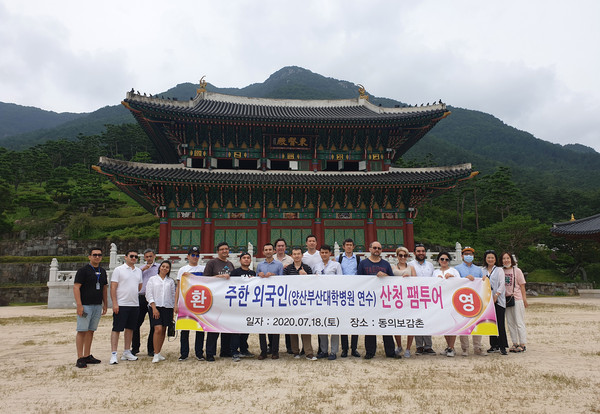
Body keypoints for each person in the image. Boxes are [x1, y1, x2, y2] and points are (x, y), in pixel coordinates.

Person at [357, 241, 396, 359]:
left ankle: (390, 352)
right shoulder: (363, 264)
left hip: (383, 300)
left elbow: (393, 280)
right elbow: (358, 281)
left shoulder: (386, 264)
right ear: (369, 249)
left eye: (379, 248)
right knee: (370, 325)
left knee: (386, 326)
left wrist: (386, 276)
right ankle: (370, 352)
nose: (377, 250)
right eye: (374, 247)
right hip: (369, 300)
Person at [73, 247, 108, 368]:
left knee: (91, 330)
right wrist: (79, 305)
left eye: (99, 255)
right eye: (94, 255)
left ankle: (87, 355)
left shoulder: (102, 271)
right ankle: (80, 357)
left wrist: (105, 303)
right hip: (85, 305)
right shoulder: (83, 271)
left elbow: (104, 288)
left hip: (97, 305)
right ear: (89, 256)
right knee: (82, 330)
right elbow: (76, 287)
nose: (97, 257)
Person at [110, 250, 143, 365]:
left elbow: (139, 286)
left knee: (130, 329)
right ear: (126, 257)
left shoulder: (138, 271)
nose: (134, 258)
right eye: (131, 256)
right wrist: (115, 303)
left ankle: (127, 351)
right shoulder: (118, 270)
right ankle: (113, 353)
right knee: (117, 329)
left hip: (134, 304)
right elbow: (113, 287)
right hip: (121, 304)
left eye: (136, 256)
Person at [284, 247, 317, 360]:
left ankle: (308, 352)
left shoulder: (307, 268)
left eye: (299, 254)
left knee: (305, 326)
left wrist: (306, 276)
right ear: (292, 256)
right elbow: (284, 284)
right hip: (292, 301)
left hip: (305, 301)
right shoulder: (287, 269)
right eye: (294, 254)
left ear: (302, 255)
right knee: (293, 327)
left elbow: (313, 284)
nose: (297, 256)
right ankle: (295, 351)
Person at [203, 242, 234, 361]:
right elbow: (205, 279)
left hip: (227, 299)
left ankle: (225, 351)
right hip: (215, 299)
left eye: (226, 249)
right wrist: (219, 277)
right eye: (222, 249)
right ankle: (210, 352)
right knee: (214, 326)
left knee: (226, 325)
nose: (224, 251)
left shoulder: (230, 264)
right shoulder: (212, 263)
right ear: (218, 251)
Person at [175, 246, 206, 362]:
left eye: (197, 255)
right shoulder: (182, 270)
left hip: (200, 302)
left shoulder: (203, 268)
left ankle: (199, 353)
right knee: (185, 329)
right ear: (188, 257)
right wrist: (176, 304)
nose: (195, 257)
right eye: (193, 255)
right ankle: (184, 353)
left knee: (200, 329)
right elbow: (178, 287)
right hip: (185, 302)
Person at [456, 246, 487, 357]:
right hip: (462, 300)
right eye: (466, 254)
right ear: (462, 255)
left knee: (477, 323)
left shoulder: (478, 270)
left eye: (471, 254)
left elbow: (482, 283)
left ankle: (477, 347)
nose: (469, 256)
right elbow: (455, 283)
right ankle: (465, 348)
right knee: (464, 324)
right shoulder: (457, 269)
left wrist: (483, 280)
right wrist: (465, 279)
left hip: (476, 300)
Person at [313, 244, 343, 360]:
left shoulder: (336, 265)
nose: (324, 255)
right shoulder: (316, 266)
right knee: (322, 325)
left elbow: (341, 280)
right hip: (320, 299)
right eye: (322, 252)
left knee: (334, 325)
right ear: (319, 253)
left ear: (330, 253)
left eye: (326, 252)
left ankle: (334, 351)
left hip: (333, 299)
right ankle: (324, 350)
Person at [256, 243, 284, 360]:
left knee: (275, 325)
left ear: (274, 251)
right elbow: (256, 280)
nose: (268, 251)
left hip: (275, 298)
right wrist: (259, 275)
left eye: (270, 249)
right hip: (262, 299)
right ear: (263, 252)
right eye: (266, 249)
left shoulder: (279, 264)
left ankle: (274, 350)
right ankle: (263, 351)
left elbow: (283, 280)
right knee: (262, 325)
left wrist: (274, 276)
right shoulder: (259, 265)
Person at [408, 243, 436, 356]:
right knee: (417, 320)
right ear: (414, 253)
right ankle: (419, 346)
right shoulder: (410, 265)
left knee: (427, 321)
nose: (421, 253)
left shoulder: (430, 265)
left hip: (427, 296)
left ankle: (428, 346)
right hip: (414, 296)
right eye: (418, 251)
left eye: (423, 251)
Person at [146, 260, 175, 363]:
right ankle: (155, 353)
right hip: (155, 307)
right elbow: (149, 294)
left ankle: (158, 352)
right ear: (160, 267)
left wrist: (172, 311)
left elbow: (172, 296)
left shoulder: (170, 281)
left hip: (167, 307)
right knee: (157, 329)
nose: (164, 268)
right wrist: (154, 308)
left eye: (167, 267)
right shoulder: (152, 279)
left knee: (163, 330)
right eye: (163, 266)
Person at [229, 252, 256, 361]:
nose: (246, 260)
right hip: (237, 304)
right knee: (236, 328)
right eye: (244, 258)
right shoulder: (235, 272)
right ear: (240, 260)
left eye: (248, 258)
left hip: (248, 304)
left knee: (246, 327)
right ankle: (234, 351)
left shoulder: (253, 273)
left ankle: (244, 349)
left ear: (250, 260)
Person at [132, 248, 159, 357]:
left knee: (154, 324)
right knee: (136, 323)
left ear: (154, 256)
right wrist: (142, 270)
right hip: (141, 297)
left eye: (150, 256)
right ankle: (135, 348)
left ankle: (151, 349)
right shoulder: (138, 269)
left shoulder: (159, 267)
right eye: (146, 257)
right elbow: (133, 280)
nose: (149, 259)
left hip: (153, 298)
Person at [433, 252, 461, 357]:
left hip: (452, 300)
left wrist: (452, 277)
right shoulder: (435, 272)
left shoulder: (454, 271)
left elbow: (460, 283)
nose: (444, 261)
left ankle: (451, 347)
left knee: (452, 324)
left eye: (446, 259)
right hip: (440, 301)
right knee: (444, 324)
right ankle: (448, 346)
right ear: (438, 260)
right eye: (442, 259)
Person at [337, 238, 361, 358]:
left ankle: (354, 348)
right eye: (347, 245)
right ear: (343, 246)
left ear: (353, 247)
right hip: (342, 293)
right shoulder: (339, 259)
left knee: (354, 321)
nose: (349, 247)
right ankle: (344, 348)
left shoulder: (357, 259)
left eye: (351, 245)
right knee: (343, 321)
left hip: (354, 292)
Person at [392, 246, 416, 358]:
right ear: (397, 256)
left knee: (410, 323)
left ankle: (408, 348)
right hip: (396, 298)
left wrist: (409, 279)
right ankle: (399, 345)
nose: (402, 257)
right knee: (396, 323)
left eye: (405, 255)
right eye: (400, 255)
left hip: (409, 298)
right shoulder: (392, 267)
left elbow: (417, 282)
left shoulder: (411, 268)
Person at [502, 252, 528, 353]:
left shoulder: (517, 271)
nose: (506, 260)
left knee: (519, 322)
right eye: (504, 258)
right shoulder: (501, 271)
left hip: (517, 298)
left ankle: (522, 343)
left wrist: (524, 299)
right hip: (506, 299)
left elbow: (522, 286)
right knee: (510, 323)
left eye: (508, 258)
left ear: (511, 260)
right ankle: (514, 342)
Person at [483, 250, 508, 355]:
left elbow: (502, 284)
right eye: (488, 257)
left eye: (492, 258)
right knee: (490, 323)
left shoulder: (499, 270)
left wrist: (496, 295)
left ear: (495, 259)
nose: (490, 259)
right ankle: (493, 345)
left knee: (500, 323)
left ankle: (502, 346)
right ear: (485, 259)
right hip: (487, 300)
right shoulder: (482, 270)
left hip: (498, 300)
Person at [274, 238, 295, 354]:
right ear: (275, 248)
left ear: (285, 247)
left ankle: (290, 346)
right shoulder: (272, 259)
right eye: (278, 246)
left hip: (287, 293)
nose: (280, 248)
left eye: (282, 246)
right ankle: (271, 346)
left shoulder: (291, 259)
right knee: (273, 320)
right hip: (274, 293)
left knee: (287, 320)